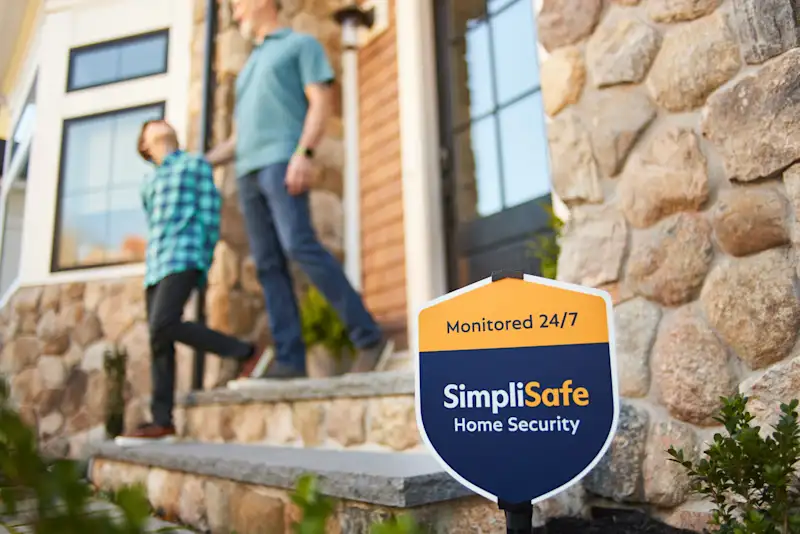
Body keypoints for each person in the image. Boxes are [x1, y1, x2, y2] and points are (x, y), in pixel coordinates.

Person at [205, 0, 394, 380]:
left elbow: (321, 103)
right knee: (268, 265)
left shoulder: (300, 46)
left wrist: (304, 153)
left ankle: (369, 336)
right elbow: (238, 139)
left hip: (281, 162)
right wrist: (200, 162)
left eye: (238, 5)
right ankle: (290, 361)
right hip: (248, 172)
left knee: (299, 245)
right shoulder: (248, 69)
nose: (235, 12)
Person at [115, 119, 270, 445]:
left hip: (184, 257)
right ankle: (163, 421)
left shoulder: (194, 164)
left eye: (165, 122)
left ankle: (244, 351)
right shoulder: (148, 182)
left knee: (164, 324)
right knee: (160, 340)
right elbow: (153, 224)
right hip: (155, 266)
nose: (163, 125)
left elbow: (210, 212)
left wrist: (205, 257)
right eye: (153, 126)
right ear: (145, 145)